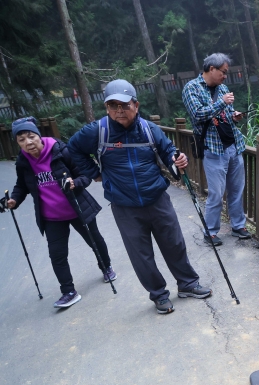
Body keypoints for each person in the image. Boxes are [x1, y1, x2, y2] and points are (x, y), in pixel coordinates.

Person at [68, 79, 212, 314]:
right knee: (141, 254)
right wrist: (95, 173)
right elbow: (73, 149)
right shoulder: (97, 131)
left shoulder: (149, 129)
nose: (119, 110)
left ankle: (187, 284)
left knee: (174, 244)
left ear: (136, 105)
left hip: (157, 197)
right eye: (113, 105)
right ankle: (159, 295)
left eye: (124, 105)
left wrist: (177, 160)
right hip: (124, 205)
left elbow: (168, 151)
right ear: (106, 108)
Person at [5, 117, 115, 309]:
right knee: (57, 254)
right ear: (17, 143)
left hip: (77, 207)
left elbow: (84, 175)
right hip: (51, 216)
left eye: (31, 137)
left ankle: (106, 267)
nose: (28, 142)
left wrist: (74, 183)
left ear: (39, 136)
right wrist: (14, 200)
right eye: (21, 140)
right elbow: (21, 186)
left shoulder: (61, 150)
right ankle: (68, 291)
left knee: (95, 241)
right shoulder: (23, 161)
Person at [181, 53, 250, 246]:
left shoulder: (223, 89)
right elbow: (198, 115)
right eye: (223, 72)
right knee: (216, 194)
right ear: (212, 68)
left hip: (233, 146)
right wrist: (222, 103)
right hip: (213, 149)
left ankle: (238, 226)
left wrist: (234, 115)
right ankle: (210, 231)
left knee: (236, 190)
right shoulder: (191, 88)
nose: (225, 76)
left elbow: (226, 114)